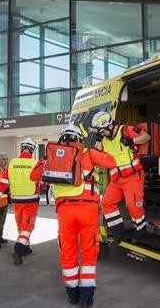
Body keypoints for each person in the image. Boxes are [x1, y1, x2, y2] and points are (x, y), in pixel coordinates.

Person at [30, 124, 117, 307]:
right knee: (89, 250)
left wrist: (46, 157)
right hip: (88, 210)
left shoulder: (52, 155)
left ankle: (72, 293)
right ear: (80, 138)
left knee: (68, 250)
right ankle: (86, 296)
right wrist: (98, 148)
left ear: (62, 138)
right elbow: (112, 163)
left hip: (65, 211)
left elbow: (34, 176)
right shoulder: (88, 153)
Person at [91, 111, 151, 243]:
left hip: (133, 177)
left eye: (102, 131)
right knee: (106, 203)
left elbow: (146, 137)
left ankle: (141, 230)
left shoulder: (125, 130)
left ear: (108, 126)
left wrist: (131, 140)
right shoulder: (105, 140)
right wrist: (98, 140)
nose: (102, 134)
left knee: (132, 205)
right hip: (117, 180)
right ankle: (119, 232)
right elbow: (96, 154)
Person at [0, 137, 39, 265]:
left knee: (21, 225)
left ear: (22, 148)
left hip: (16, 200)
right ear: (32, 149)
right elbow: (41, 180)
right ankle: (18, 250)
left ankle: (25, 248)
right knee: (28, 226)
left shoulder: (12, 163)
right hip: (31, 200)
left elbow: (3, 182)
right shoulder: (35, 163)